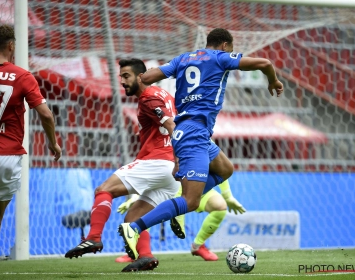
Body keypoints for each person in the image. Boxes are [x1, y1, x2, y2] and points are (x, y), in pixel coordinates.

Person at [118, 27, 284, 260]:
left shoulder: (182, 59)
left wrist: (165, 76)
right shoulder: (221, 57)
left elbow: (145, 78)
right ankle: (134, 227)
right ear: (225, 45)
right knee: (191, 201)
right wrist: (273, 81)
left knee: (225, 169)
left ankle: (178, 208)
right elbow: (264, 63)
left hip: (189, 131)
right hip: (193, 134)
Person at [64, 58, 180, 272]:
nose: (123, 82)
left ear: (141, 76)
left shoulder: (148, 98)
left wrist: (179, 159)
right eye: (121, 77)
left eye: (126, 76)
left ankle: (94, 237)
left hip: (158, 161)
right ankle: (146, 256)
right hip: (169, 173)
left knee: (103, 190)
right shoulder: (165, 95)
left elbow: (172, 125)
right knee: (133, 219)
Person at [0, 24, 62, 261]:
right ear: (11, 46)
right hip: (6, 154)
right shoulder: (22, 76)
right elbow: (46, 114)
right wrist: (53, 143)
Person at [115, 179, 245, 263]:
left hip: (197, 189)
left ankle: (198, 246)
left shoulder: (205, 140)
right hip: (171, 189)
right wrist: (135, 197)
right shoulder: (168, 141)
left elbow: (219, 166)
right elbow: (153, 173)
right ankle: (137, 253)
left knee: (220, 206)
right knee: (144, 211)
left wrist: (228, 197)